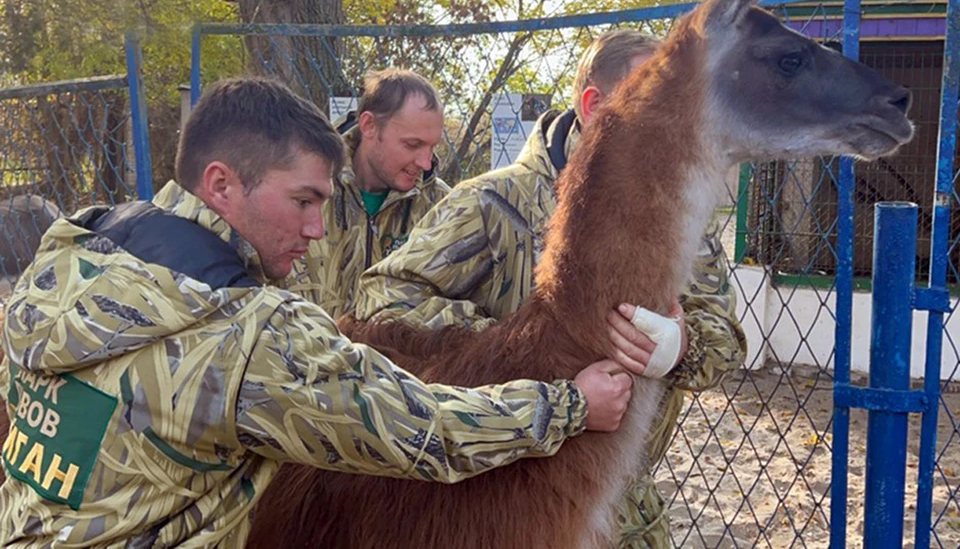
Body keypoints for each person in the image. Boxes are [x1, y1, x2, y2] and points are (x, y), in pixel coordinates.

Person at [0, 77, 653, 546]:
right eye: (303, 201)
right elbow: (421, 429)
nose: (317, 228)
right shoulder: (247, 337)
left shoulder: (70, 255)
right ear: (222, 183)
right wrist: (568, 404)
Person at [355, 29, 748, 548]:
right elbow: (384, 296)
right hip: (504, 500)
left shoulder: (676, 217)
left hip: (625, 507)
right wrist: (514, 352)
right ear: (594, 105)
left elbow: (727, 340)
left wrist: (682, 347)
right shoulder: (494, 204)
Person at [283, 69, 450, 318]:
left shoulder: (442, 207)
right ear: (369, 125)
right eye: (412, 145)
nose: (426, 163)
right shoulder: (300, 188)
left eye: (432, 146)